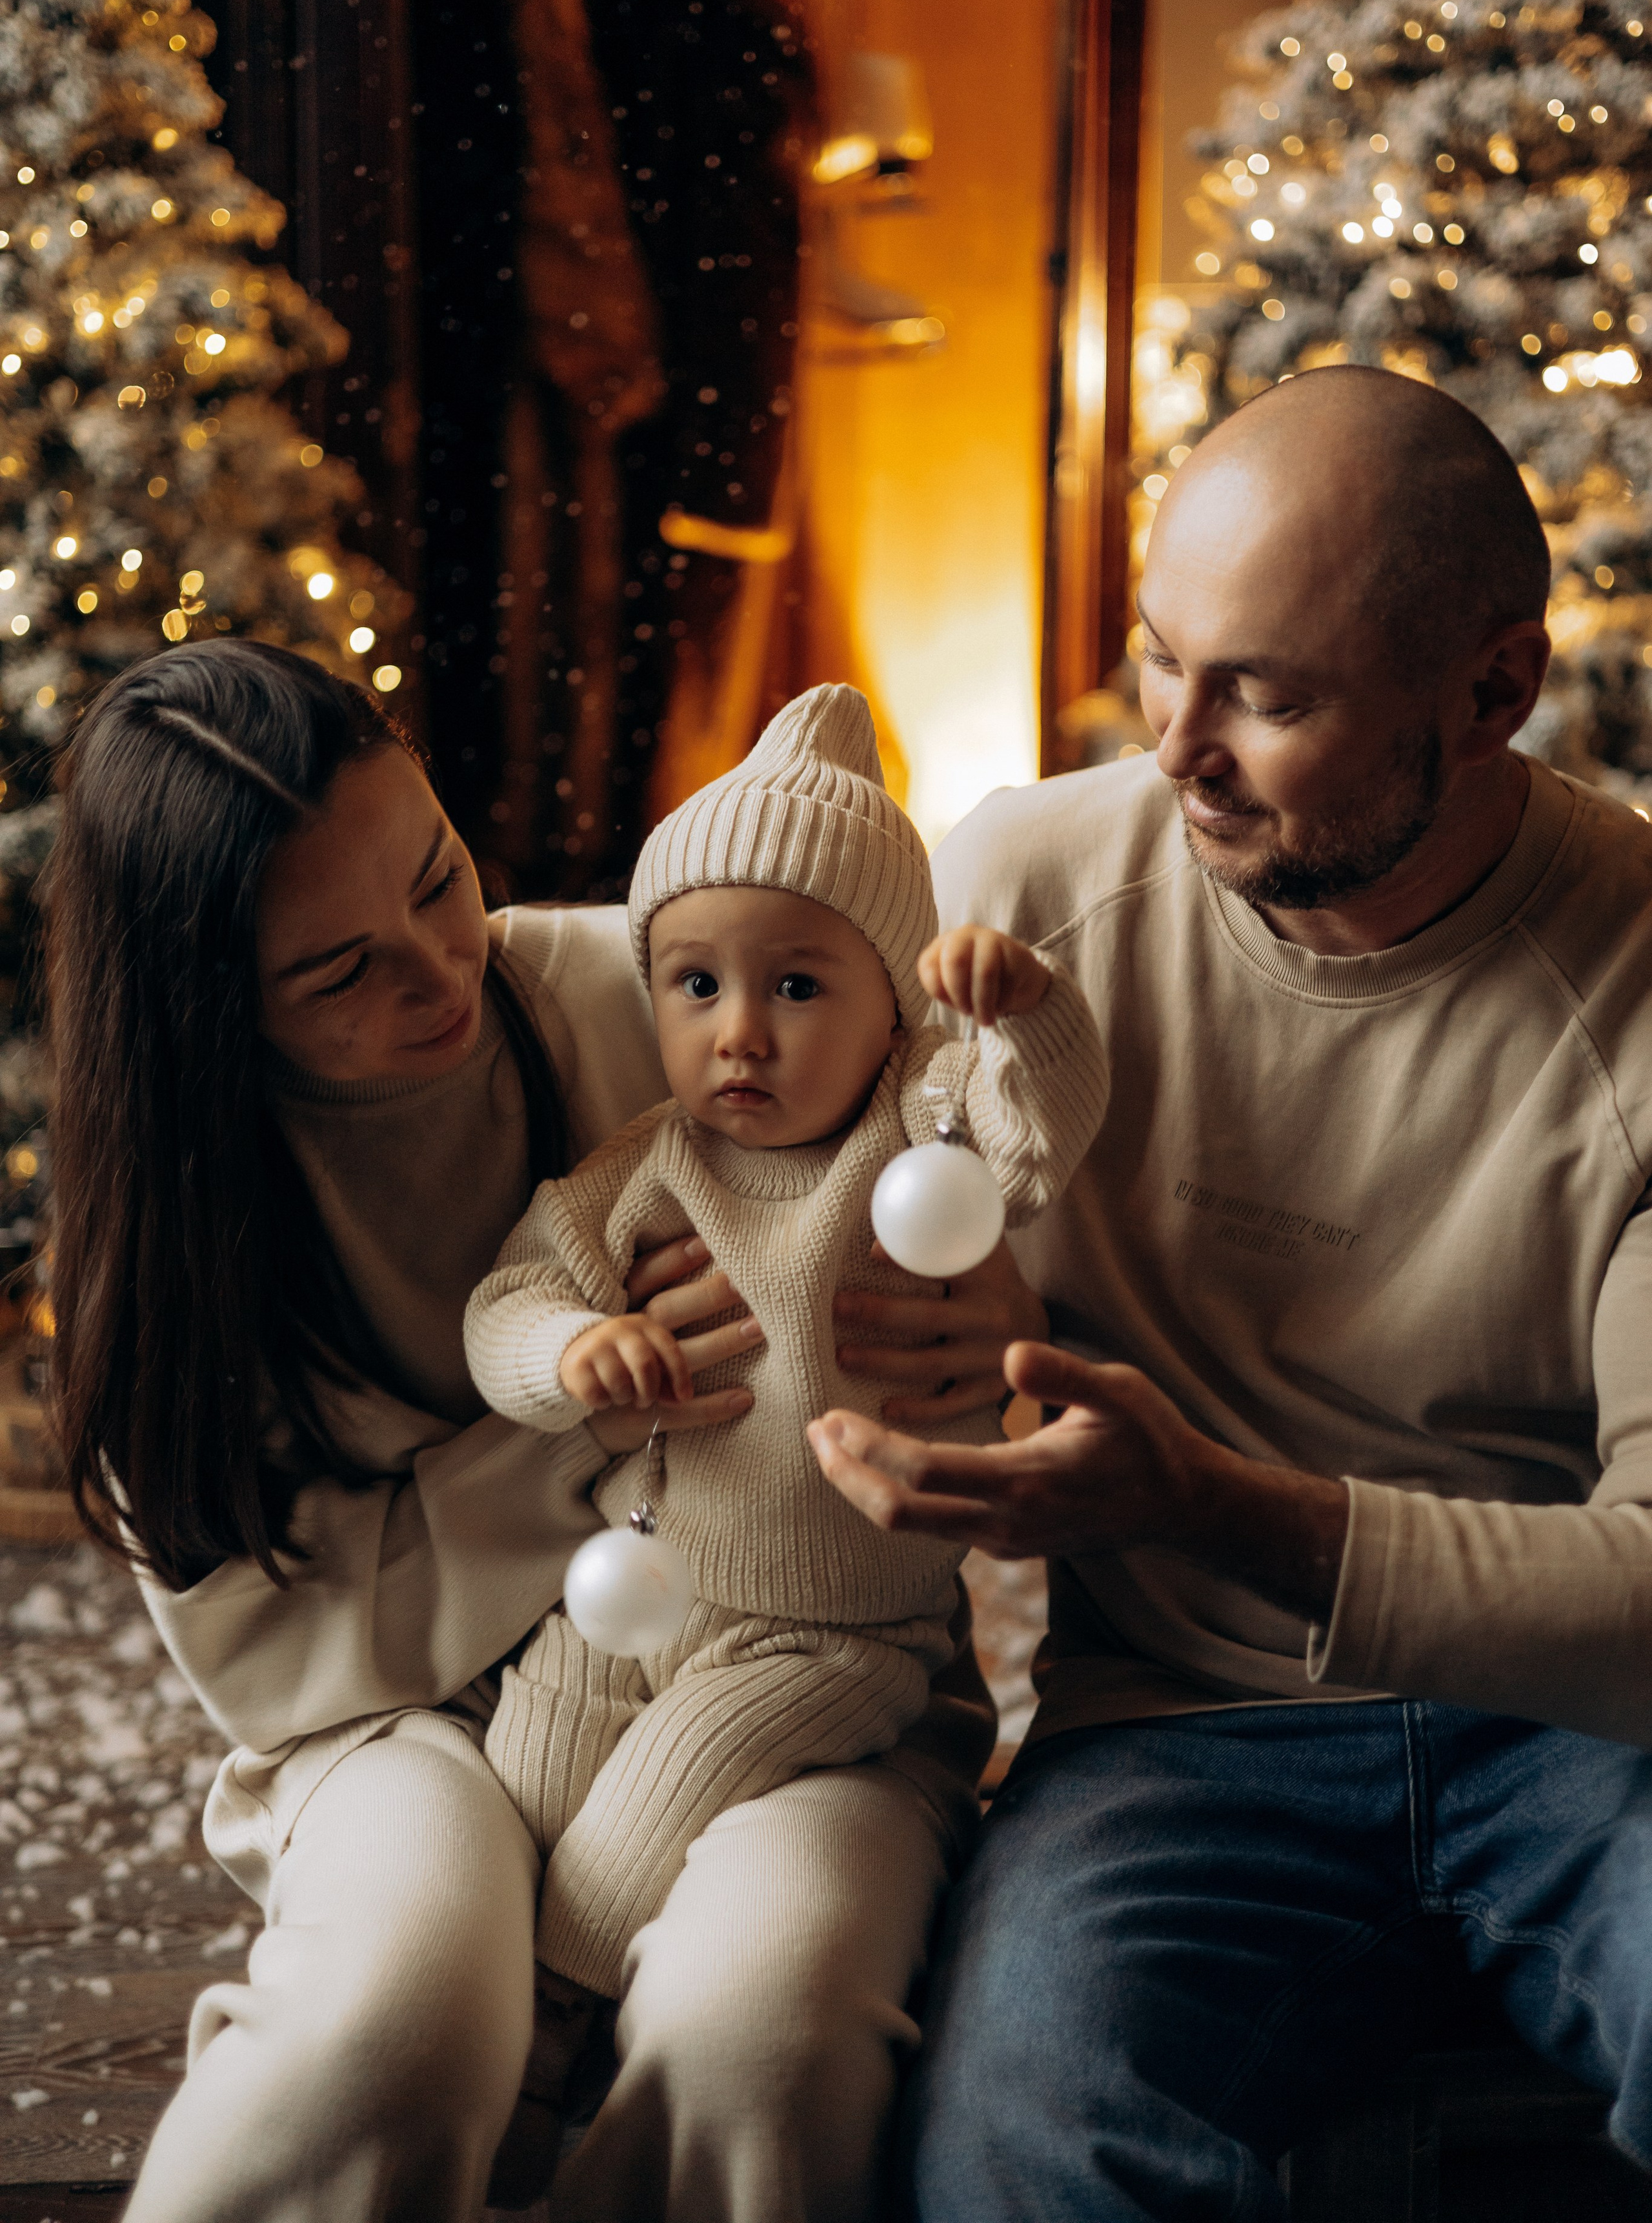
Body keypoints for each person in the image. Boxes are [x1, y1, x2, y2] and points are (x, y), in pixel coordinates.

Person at [45, 637, 1039, 2223]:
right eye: (338, 971)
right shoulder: (163, 1248)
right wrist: (591, 1415)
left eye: (438, 879)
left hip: (783, 1648)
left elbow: (949, 1119)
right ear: (205, 1005)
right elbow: (288, 1661)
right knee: (391, 2029)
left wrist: (997, 1310)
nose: (442, 970)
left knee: (758, 2035)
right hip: (393, 1721)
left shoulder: (643, 985)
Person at [810, 364, 1652, 2219]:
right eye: (1158, 658)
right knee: (1016, 2144)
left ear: (1494, 694)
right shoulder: (1025, 891)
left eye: (1267, 696)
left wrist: (1198, 1501)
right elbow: (765, 1177)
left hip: (1588, 1739)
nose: (1176, 744)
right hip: (1172, 1735)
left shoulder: (1639, 978)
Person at [464, 685, 1105, 2072]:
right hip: (637, 1588)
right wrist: (567, 1352)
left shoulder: (913, 1140)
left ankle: (553, 2051)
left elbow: (1039, 1128)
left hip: (828, 1634)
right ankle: (493, 2014)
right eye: (696, 986)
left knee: (632, 1830)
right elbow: (506, 1303)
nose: (738, 1034)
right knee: (516, 1787)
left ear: (891, 1007)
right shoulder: (643, 1167)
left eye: (796, 986)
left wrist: (1028, 1012)